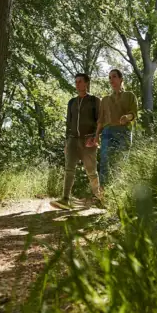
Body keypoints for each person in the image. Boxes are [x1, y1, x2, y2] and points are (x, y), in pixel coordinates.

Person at [50, 73, 104, 210]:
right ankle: (65, 199)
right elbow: (68, 123)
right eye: (76, 82)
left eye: (80, 81)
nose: (77, 84)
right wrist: (66, 143)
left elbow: (100, 121)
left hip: (89, 140)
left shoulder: (94, 100)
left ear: (86, 83)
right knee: (69, 169)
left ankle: (101, 199)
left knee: (91, 172)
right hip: (72, 140)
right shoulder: (72, 102)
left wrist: (96, 137)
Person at [96, 69, 138, 187]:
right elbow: (101, 120)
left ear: (121, 79)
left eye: (114, 76)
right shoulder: (105, 100)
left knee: (120, 161)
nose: (111, 80)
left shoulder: (129, 96)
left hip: (124, 131)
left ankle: (118, 190)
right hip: (107, 132)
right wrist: (96, 136)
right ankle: (102, 193)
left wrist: (127, 117)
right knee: (105, 162)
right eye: (109, 77)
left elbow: (134, 113)